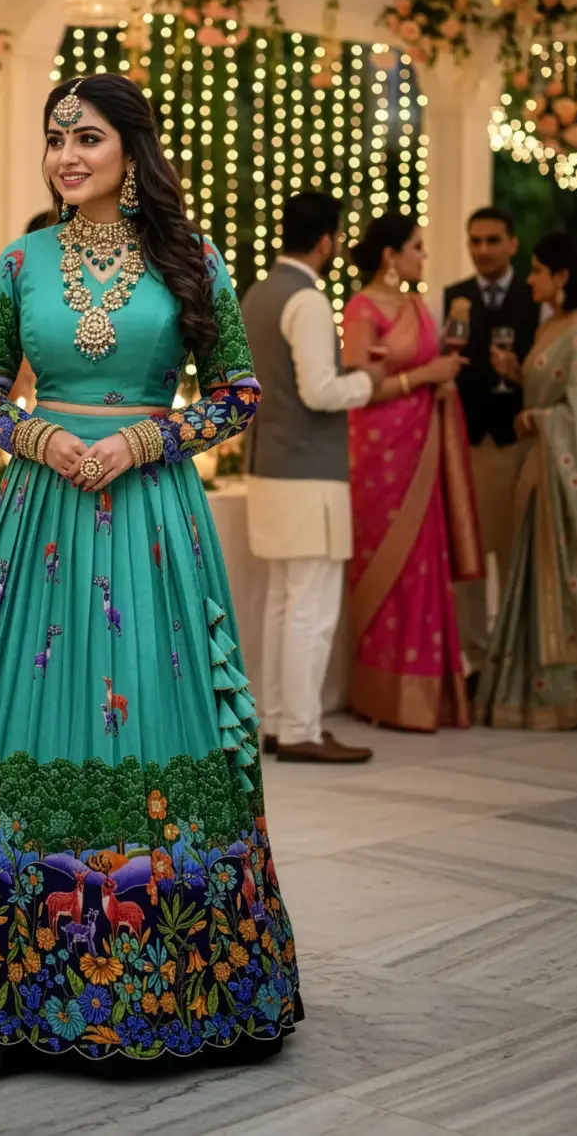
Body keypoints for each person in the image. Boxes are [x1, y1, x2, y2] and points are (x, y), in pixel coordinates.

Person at [0, 74, 302, 1073]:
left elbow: (237, 390)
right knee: (23, 713)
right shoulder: (22, 263)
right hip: (44, 519)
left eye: (89, 137)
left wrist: (151, 439)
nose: (67, 154)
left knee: (151, 709)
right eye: (54, 136)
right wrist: (36, 435)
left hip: (152, 522)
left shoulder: (193, 260)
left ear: (130, 150)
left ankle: (177, 981)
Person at [241, 193, 383, 764]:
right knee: (312, 607)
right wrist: (368, 379)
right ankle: (301, 728)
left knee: (281, 601)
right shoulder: (308, 299)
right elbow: (320, 391)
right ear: (327, 241)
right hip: (308, 471)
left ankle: (277, 722)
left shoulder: (255, 294)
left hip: (268, 467)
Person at [343, 213, 483, 732]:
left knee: (424, 562)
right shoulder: (361, 310)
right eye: (417, 248)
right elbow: (360, 388)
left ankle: (421, 695)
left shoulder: (415, 306)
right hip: (380, 454)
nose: (424, 257)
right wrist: (425, 376)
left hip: (422, 449)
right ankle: (381, 694)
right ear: (390, 255)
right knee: (387, 564)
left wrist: (440, 382)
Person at [478, 233, 577, 730]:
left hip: (562, 470)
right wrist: (515, 373)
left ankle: (573, 694)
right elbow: (550, 387)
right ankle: (528, 695)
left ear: (562, 277)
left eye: (536, 270)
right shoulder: (554, 325)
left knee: (553, 577)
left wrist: (539, 420)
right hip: (541, 471)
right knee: (528, 575)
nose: (529, 278)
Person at [444, 207, 541, 692]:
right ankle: (476, 663)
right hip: (468, 447)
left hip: (517, 446)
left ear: (512, 244)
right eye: (475, 240)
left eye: (492, 240)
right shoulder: (453, 297)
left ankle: (516, 660)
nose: (482, 249)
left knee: (515, 554)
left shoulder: (536, 299)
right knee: (471, 559)